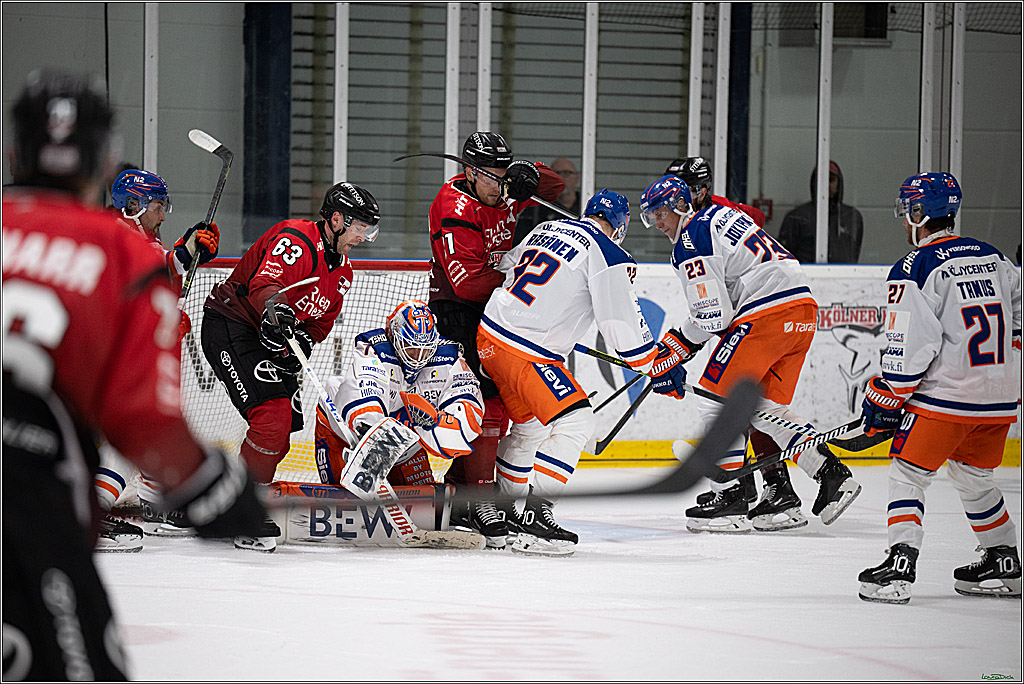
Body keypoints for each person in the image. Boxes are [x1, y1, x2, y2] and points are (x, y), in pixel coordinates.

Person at [2, 69, 267, 681]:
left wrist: (184, 257)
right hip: (30, 518)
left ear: (14, 152)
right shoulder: (118, 254)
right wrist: (215, 493)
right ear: (105, 158)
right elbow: (140, 417)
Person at [639, 174, 862, 533]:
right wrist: (679, 347)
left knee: (715, 397)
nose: (659, 223)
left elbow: (714, 316)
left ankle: (730, 496)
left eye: (662, 212)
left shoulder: (691, 236)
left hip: (767, 312)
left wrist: (675, 347)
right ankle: (831, 475)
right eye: (652, 217)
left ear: (682, 205)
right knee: (763, 410)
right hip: (802, 310)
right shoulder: (720, 217)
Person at [857, 172, 1021, 604]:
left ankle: (898, 566)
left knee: (908, 473)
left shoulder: (917, 266)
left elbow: (909, 343)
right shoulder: (997, 257)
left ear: (918, 213)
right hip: (1000, 397)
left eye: (908, 209)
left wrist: (887, 392)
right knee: (973, 476)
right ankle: (1004, 560)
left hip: (948, 395)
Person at [200, 181, 381, 552]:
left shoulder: (343, 273)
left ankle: (236, 499)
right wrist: (276, 309)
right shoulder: (296, 238)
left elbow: (318, 324)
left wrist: (300, 338)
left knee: (283, 427)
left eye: (368, 229)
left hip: (272, 342)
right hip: (231, 322)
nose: (363, 236)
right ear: (335, 219)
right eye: (360, 227)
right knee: (272, 418)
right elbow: (264, 284)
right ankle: (242, 510)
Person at [478, 189, 659, 555]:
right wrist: (656, 364)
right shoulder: (609, 253)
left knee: (529, 427)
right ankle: (536, 518)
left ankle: (505, 510)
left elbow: (505, 266)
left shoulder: (545, 228)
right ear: (621, 227)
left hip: (489, 337)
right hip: (527, 352)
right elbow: (627, 336)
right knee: (577, 421)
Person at [427, 131, 564, 547]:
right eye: (495, 175)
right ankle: (481, 498)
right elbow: (467, 284)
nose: (503, 184)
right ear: (470, 172)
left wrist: (527, 174)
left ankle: (463, 494)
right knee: (481, 399)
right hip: (458, 310)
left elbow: (556, 186)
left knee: (502, 402)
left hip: (497, 308)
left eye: (508, 173)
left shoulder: (503, 188)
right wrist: (524, 289)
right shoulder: (451, 207)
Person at [94, 169, 221, 551]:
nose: (163, 215)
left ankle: (153, 502)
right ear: (132, 204)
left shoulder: (137, 234)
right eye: (158, 206)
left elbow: (160, 268)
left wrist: (190, 247)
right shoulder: (114, 235)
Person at [666, 156, 777, 512]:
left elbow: (752, 224)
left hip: (748, 316)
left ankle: (755, 488)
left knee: (732, 401)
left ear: (698, 190)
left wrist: (681, 344)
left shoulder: (712, 217)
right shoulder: (708, 216)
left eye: (682, 190)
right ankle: (755, 488)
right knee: (739, 404)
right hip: (733, 316)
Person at [313, 300, 484, 491]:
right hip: (345, 436)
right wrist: (380, 436)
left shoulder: (449, 357)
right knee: (343, 497)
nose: (418, 358)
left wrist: (435, 422)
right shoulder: (375, 349)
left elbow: (470, 414)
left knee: (423, 502)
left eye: (425, 350)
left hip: (405, 443)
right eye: (411, 348)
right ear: (394, 337)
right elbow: (364, 398)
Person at [777, 160, 864, 263]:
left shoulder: (852, 217)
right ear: (815, 183)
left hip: (844, 277)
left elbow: (854, 254)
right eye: (822, 180)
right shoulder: (797, 217)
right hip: (806, 276)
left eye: (831, 180)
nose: (826, 185)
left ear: (838, 183)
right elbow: (784, 259)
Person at [513, 157, 581, 242]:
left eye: (567, 173)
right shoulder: (536, 208)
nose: (561, 178)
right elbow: (518, 242)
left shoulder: (586, 205)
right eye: (557, 173)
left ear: (577, 177)